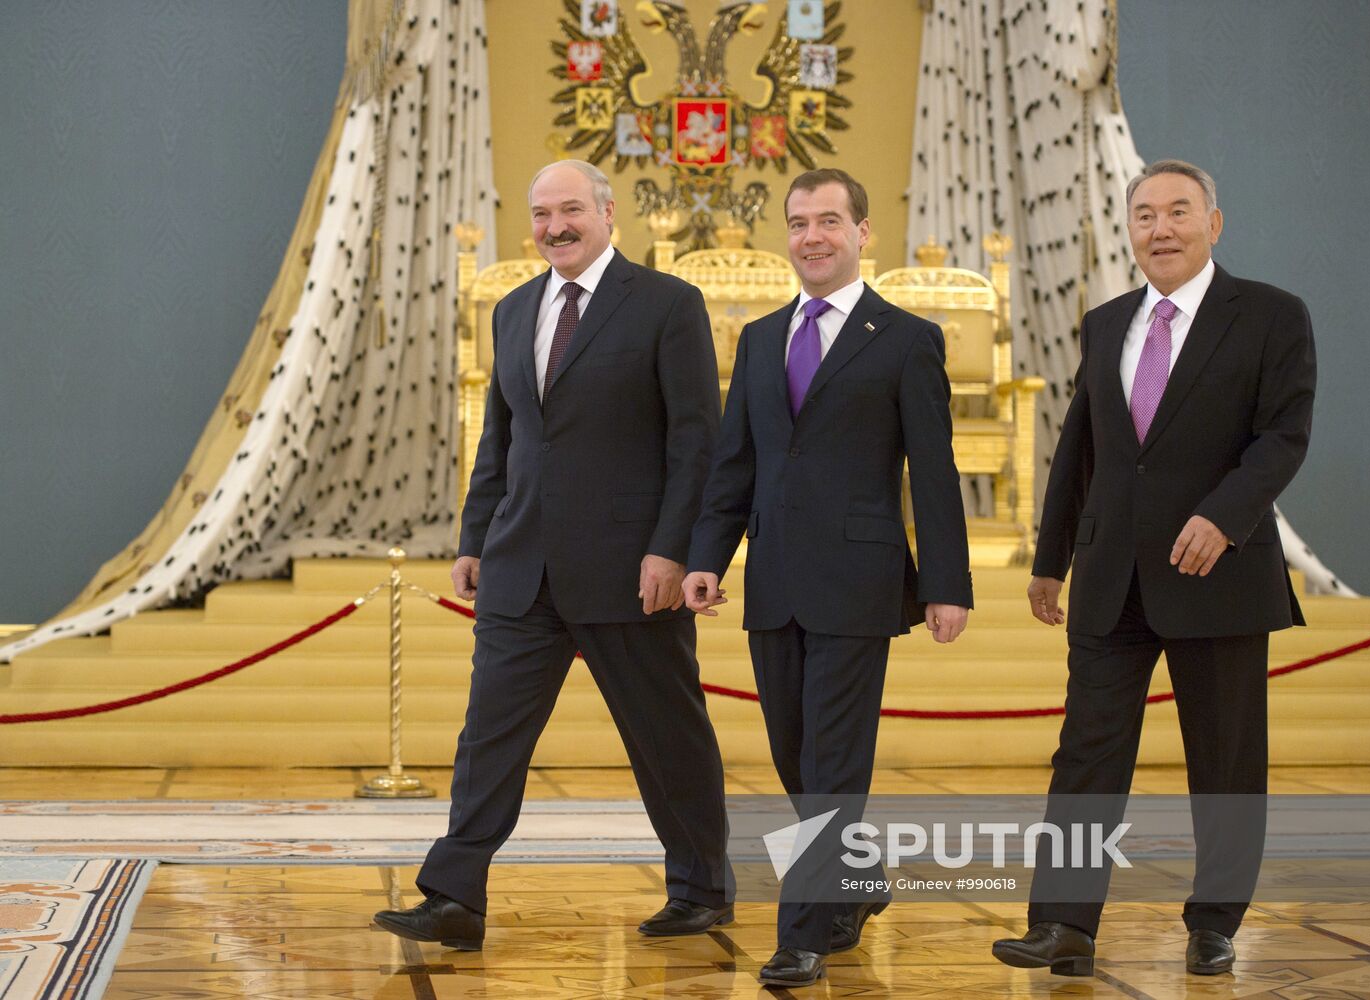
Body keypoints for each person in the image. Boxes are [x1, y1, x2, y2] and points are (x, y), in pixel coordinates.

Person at [374, 159, 733, 950]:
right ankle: (454, 896)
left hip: (631, 573)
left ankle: (702, 886)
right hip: (520, 566)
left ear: (608, 214)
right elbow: (499, 440)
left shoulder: (669, 305)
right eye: (541, 214)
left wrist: (673, 550)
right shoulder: (511, 311)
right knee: (487, 739)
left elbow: (694, 442)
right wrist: (474, 538)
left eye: (570, 210)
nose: (554, 227)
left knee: (666, 734)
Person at [992, 159, 1316, 977]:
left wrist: (1225, 516)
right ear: (1129, 229)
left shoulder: (1272, 317)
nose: (1160, 228)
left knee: (1225, 758)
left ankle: (1214, 921)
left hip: (1218, 571)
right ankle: (1062, 923)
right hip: (1110, 575)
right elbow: (1081, 447)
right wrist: (1049, 557)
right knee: (1085, 754)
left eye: (1178, 212)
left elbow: (1281, 436)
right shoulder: (1105, 323)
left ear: (1214, 222)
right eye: (1144, 215)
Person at [684, 168, 973, 987]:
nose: (812, 235)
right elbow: (734, 463)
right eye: (799, 222)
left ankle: (802, 932)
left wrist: (944, 583)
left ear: (861, 233)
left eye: (829, 221)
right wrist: (708, 557)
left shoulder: (907, 337)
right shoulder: (760, 336)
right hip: (773, 576)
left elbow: (935, 471)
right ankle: (856, 880)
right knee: (795, 757)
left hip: (859, 580)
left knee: (834, 762)